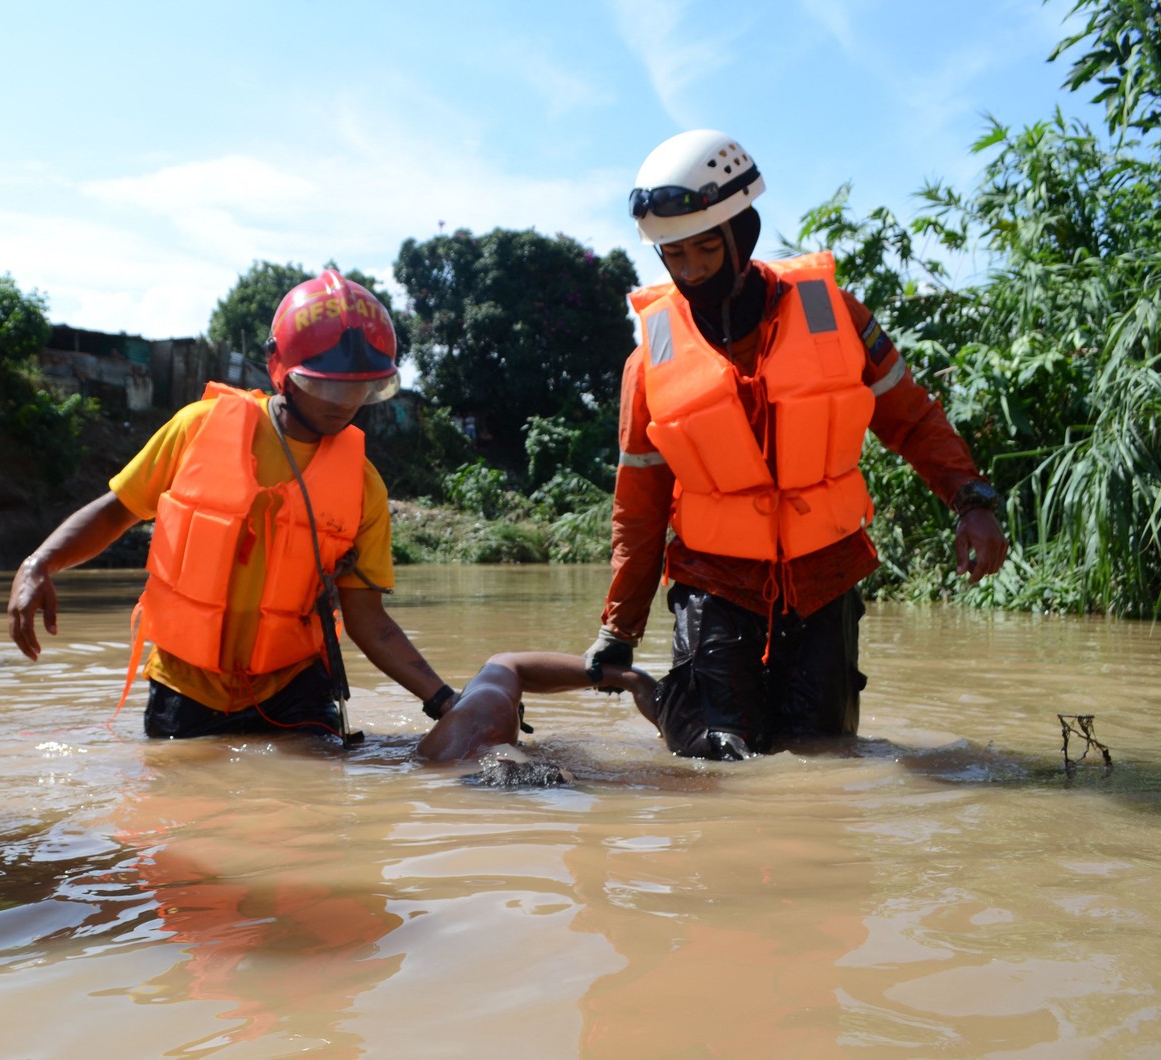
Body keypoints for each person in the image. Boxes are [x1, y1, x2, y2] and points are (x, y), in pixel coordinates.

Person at [585, 129, 1007, 761]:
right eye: (674, 255)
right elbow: (639, 502)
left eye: (705, 248)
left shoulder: (835, 315)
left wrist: (970, 499)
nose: (691, 269)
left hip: (824, 575)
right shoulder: (651, 361)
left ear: (742, 235)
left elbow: (912, 419)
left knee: (823, 760)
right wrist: (619, 627)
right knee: (714, 762)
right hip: (716, 582)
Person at [9, 269, 459, 741]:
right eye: (328, 385)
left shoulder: (364, 485)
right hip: (185, 689)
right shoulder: (197, 428)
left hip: (295, 689)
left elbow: (370, 622)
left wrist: (445, 701)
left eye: (361, 387)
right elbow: (117, 510)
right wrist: (39, 563)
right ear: (278, 365)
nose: (345, 403)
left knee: (319, 804)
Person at [416, 652, 656, 764]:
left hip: (472, 774)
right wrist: (631, 678)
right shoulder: (486, 702)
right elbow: (508, 662)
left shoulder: (443, 744)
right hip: (486, 761)